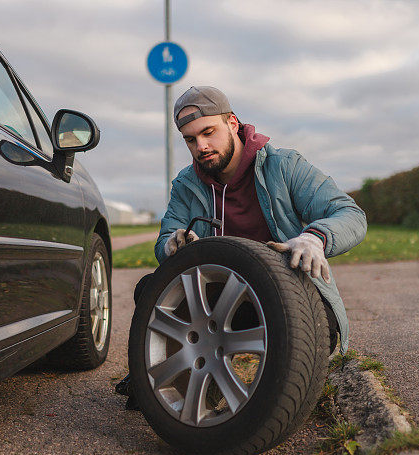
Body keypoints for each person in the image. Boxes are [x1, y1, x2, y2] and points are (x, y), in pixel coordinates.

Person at [117, 86, 367, 408]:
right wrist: (174, 245)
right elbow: (163, 243)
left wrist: (314, 237)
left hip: (285, 290)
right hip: (219, 296)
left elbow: (351, 214)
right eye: (191, 140)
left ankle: (271, 397)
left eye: (208, 132)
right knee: (151, 288)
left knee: (321, 331)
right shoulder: (186, 184)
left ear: (232, 123)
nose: (201, 146)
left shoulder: (284, 165)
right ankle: (170, 378)